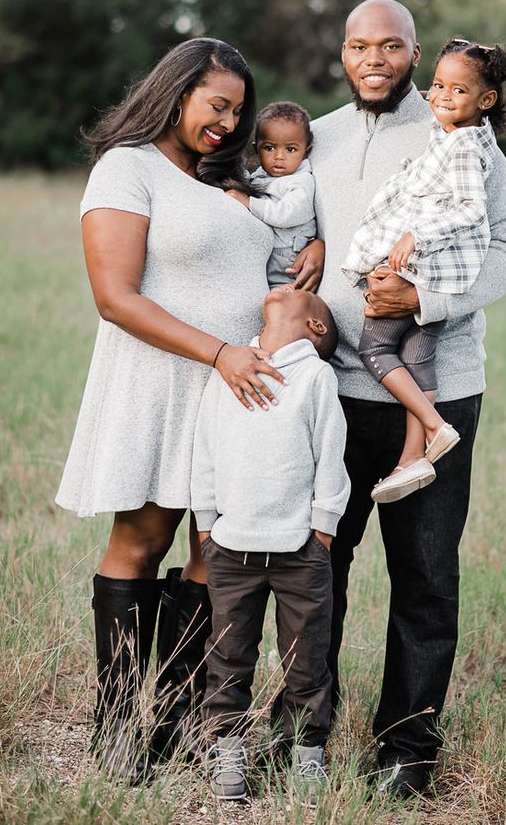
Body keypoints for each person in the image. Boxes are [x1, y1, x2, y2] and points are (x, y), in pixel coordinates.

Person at [55, 38, 323, 780]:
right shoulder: (128, 167)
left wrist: (318, 247)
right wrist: (217, 353)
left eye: (239, 111)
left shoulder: (224, 180)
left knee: (217, 556)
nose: (230, 123)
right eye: (218, 105)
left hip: (235, 399)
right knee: (142, 542)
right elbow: (115, 297)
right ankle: (114, 729)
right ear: (176, 92)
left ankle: (175, 724)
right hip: (161, 384)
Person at [310, 0, 506, 799]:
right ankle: (304, 728)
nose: (377, 59)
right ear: (344, 53)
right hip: (330, 392)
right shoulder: (320, 137)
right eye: (361, 46)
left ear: (413, 55)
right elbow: (290, 237)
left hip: (440, 394)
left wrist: (427, 305)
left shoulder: (458, 134)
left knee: (427, 576)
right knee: (316, 569)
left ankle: (407, 749)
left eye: (393, 46)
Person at [191, 287, 350, 803]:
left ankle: (307, 753)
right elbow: (206, 446)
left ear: (316, 328)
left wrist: (322, 530)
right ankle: (227, 746)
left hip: (299, 550)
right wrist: (206, 522)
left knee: (306, 657)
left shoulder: (315, 377)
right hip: (231, 546)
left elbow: (331, 455)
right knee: (228, 654)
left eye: (302, 294)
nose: (287, 285)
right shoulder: (231, 367)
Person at [343, 39, 506, 504]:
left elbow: (471, 208)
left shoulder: (462, 145)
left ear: (486, 100)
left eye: (457, 90)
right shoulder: (460, 136)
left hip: (430, 273)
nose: (440, 96)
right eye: (438, 85)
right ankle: (414, 454)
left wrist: (416, 235)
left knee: (374, 348)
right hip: (441, 274)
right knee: (417, 357)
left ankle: (434, 426)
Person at [226, 101, 316, 288]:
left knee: (280, 296)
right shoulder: (259, 176)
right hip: (265, 258)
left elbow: (286, 214)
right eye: (269, 148)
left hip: (288, 262)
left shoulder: (301, 182)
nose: (279, 156)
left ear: (306, 151)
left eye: (290, 149)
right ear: (257, 148)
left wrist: (249, 202)